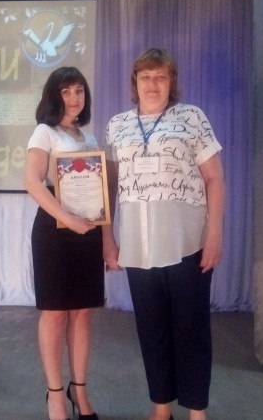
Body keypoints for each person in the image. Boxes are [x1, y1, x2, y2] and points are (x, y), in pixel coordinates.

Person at [104, 49, 225, 420]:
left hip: (187, 241)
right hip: (138, 245)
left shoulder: (191, 117)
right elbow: (108, 187)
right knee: (151, 329)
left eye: (160, 77)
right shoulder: (117, 125)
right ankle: (161, 407)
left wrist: (215, 234)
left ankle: (196, 410)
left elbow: (214, 178)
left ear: (171, 82)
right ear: (135, 83)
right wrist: (108, 239)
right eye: (145, 77)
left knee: (192, 329)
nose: (153, 84)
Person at [25, 66, 118, 420]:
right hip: (54, 232)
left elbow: (104, 200)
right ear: (54, 95)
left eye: (79, 90)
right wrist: (66, 217)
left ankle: (79, 390)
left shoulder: (90, 141)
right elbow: (33, 182)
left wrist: (107, 240)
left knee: (81, 313)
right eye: (66, 91)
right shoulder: (44, 132)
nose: (74, 97)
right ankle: (54, 395)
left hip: (88, 233)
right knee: (54, 313)